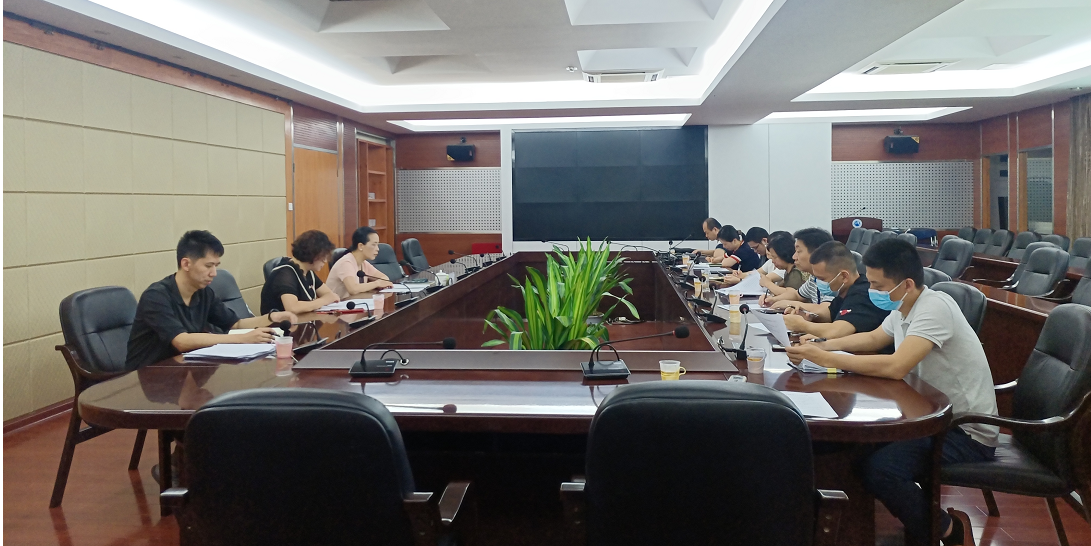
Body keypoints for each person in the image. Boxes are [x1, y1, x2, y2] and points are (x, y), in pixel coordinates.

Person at [786, 238, 996, 546]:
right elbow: (873, 339)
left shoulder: (934, 308)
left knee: (881, 470)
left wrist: (827, 358)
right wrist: (821, 345)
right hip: (926, 413)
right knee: (851, 449)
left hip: (964, 430)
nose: (872, 291)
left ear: (906, 284)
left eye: (878, 285)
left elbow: (897, 366)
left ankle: (948, 530)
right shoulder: (903, 308)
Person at [126, 230, 298, 369]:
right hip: (146, 378)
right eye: (208, 266)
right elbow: (181, 341)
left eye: (216, 266)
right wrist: (243, 338)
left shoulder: (204, 293)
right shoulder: (156, 296)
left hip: (183, 369)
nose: (214, 273)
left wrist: (271, 317)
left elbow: (236, 323)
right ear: (186, 264)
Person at [782, 241, 889, 341]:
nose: (818, 283)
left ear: (844, 276)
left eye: (822, 279)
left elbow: (836, 331)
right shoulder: (845, 291)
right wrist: (806, 314)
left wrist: (802, 325)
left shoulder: (862, 294)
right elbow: (829, 314)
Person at [260, 230, 341, 315]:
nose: (325, 261)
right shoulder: (284, 273)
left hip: (302, 320)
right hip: (280, 322)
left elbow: (329, 294)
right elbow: (293, 308)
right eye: (323, 257)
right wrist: (323, 301)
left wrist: (326, 299)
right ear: (314, 254)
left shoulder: (308, 271)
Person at [761, 227, 834, 310]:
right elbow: (797, 295)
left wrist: (791, 304)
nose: (794, 257)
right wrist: (773, 300)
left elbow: (826, 309)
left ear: (817, 253)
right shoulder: (813, 278)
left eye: (799, 251)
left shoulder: (834, 279)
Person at [326, 227, 394, 300]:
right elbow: (353, 289)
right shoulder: (346, 262)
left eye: (377, 245)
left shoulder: (363, 263)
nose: (377, 249)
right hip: (337, 305)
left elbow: (385, 279)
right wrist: (377, 284)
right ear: (360, 246)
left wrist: (377, 284)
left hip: (354, 303)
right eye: (373, 245)